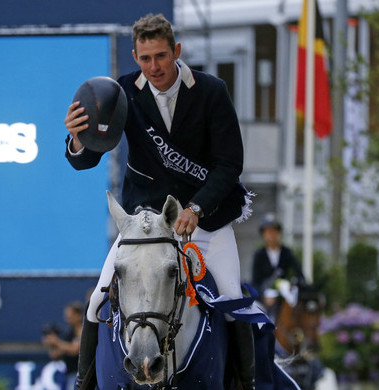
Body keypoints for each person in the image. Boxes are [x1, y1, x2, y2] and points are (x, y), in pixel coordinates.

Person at [64, 13, 255, 390]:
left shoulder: (211, 90)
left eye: (162, 57)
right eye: (146, 58)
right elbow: (87, 159)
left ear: (177, 52)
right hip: (146, 226)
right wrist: (78, 139)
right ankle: (83, 384)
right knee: (95, 304)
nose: (155, 67)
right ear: (136, 56)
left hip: (205, 222)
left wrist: (196, 207)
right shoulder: (121, 94)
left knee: (233, 298)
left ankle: (247, 383)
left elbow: (230, 163)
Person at [251, 214, 305, 311]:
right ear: (263, 234)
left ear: (279, 233)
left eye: (274, 231)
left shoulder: (287, 252)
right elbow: (255, 282)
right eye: (268, 231)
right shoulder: (259, 255)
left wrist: (292, 287)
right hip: (265, 298)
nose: (271, 235)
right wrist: (263, 296)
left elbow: (299, 274)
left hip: (284, 297)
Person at [42, 301, 84, 390]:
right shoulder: (69, 332)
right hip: (69, 373)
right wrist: (52, 345)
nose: (68, 317)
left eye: (71, 314)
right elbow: (54, 355)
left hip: (79, 375)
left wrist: (56, 341)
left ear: (78, 315)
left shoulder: (81, 330)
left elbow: (75, 349)